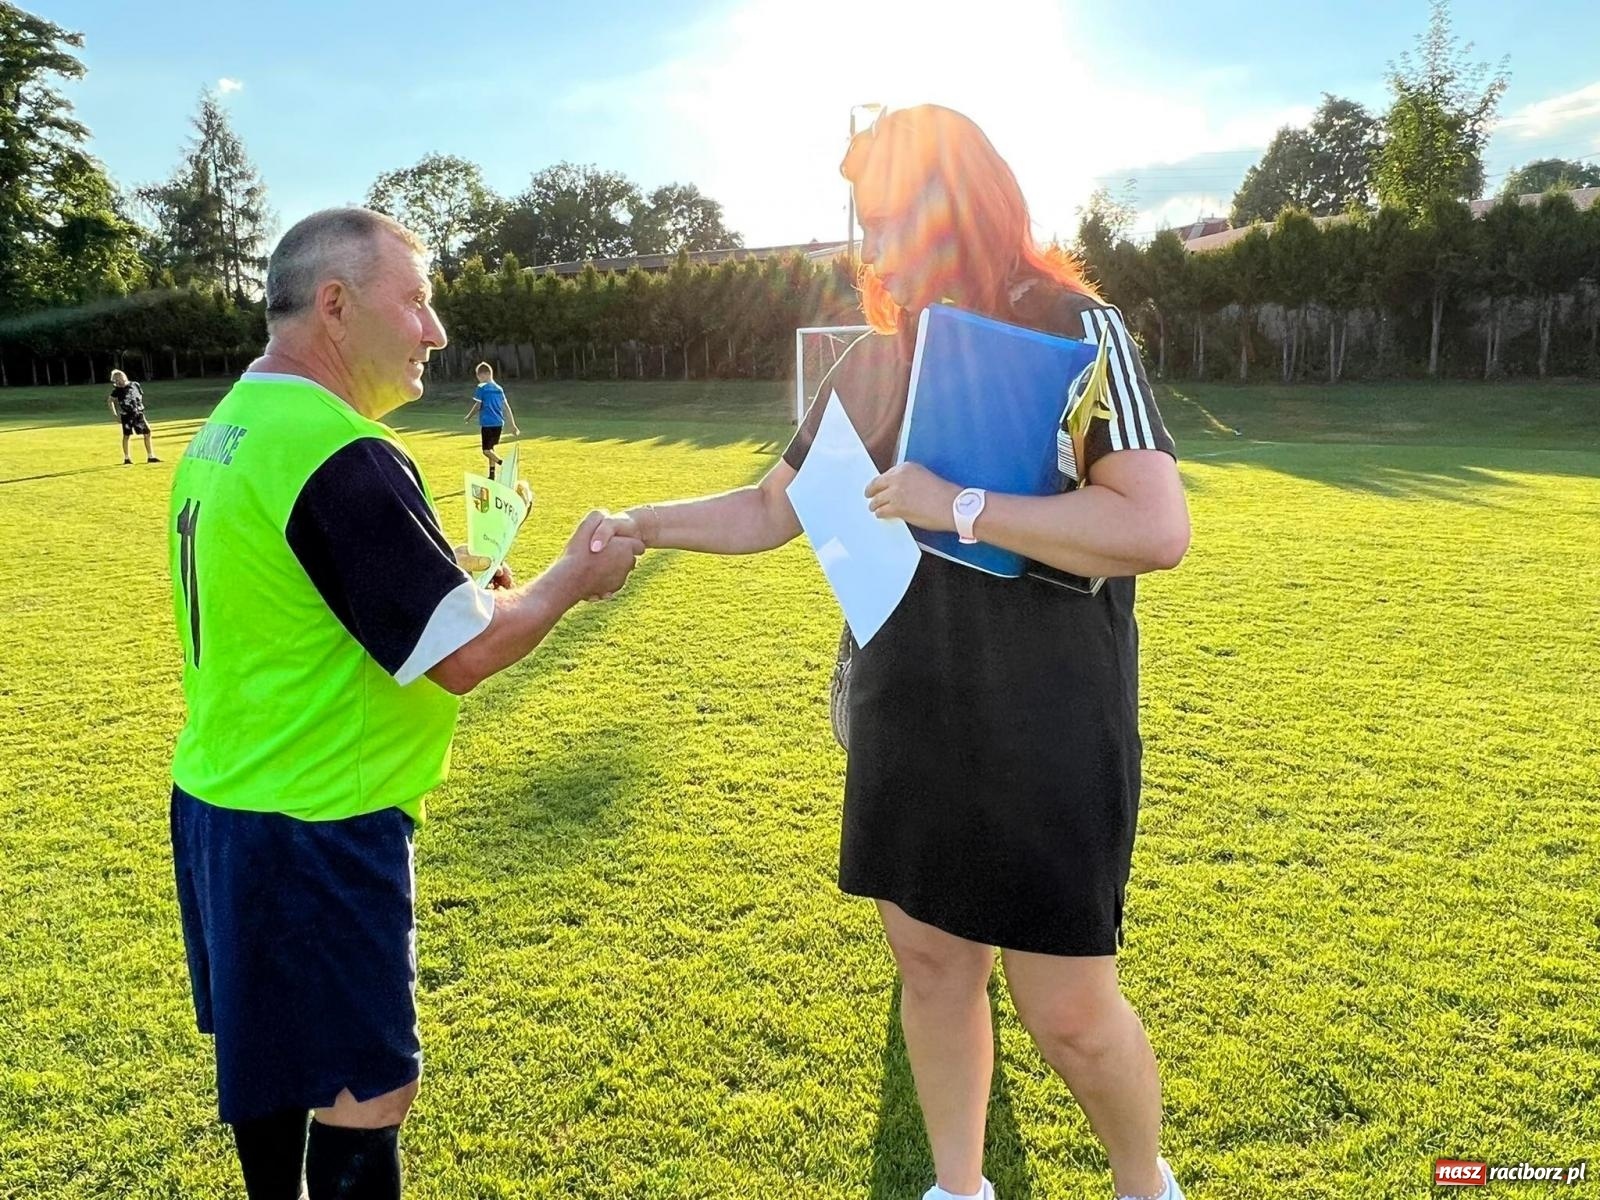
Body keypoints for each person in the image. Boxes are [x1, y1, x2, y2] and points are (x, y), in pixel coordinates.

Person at [592, 106, 1190, 1200]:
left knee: (1069, 1014)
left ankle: (1141, 1184)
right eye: (863, 226)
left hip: (1048, 723)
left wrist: (958, 505)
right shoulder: (875, 362)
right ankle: (957, 1188)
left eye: (889, 220)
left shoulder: (1073, 329)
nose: (875, 251)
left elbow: (1154, 529)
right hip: (908, 711)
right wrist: (641, 523)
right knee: (929, 967)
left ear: (959, 203)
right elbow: (771, 509)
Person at [166, 207, 643, 1200]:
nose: (433, 330)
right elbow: (461, 659)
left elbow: (347, 604)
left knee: (272, 1063)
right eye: (417, 300)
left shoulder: (232, 425)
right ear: (335, 305)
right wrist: (566, 581)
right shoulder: (338, 448)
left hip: (225, 801)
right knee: (363, 1091)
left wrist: (481, 573)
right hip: (316, 824)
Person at [463, 360, 518, 479]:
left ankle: (503, 464)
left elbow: (478, 405)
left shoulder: (481, 388)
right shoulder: (499, 389)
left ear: (485, 375)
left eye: (479, 376)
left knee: (486, 451)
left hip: (487, 424)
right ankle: (492, 474)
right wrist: (512, 425)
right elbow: (506, 407)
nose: (478, 379)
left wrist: (468, 416)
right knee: (491, 449)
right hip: (499, 424)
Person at [107, 368, 158, 463]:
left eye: (118, 380)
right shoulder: (117, 390)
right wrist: (115, 414)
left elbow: (140, 395)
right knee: (126, 435)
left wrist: (138, 406)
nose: (118, 382)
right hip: (126, 415)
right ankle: (127, 458)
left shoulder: (135, 385)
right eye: (116, 381)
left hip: (138, 414)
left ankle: (150, 456)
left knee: (147, 432)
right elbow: (110, 401)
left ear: (123, 377)